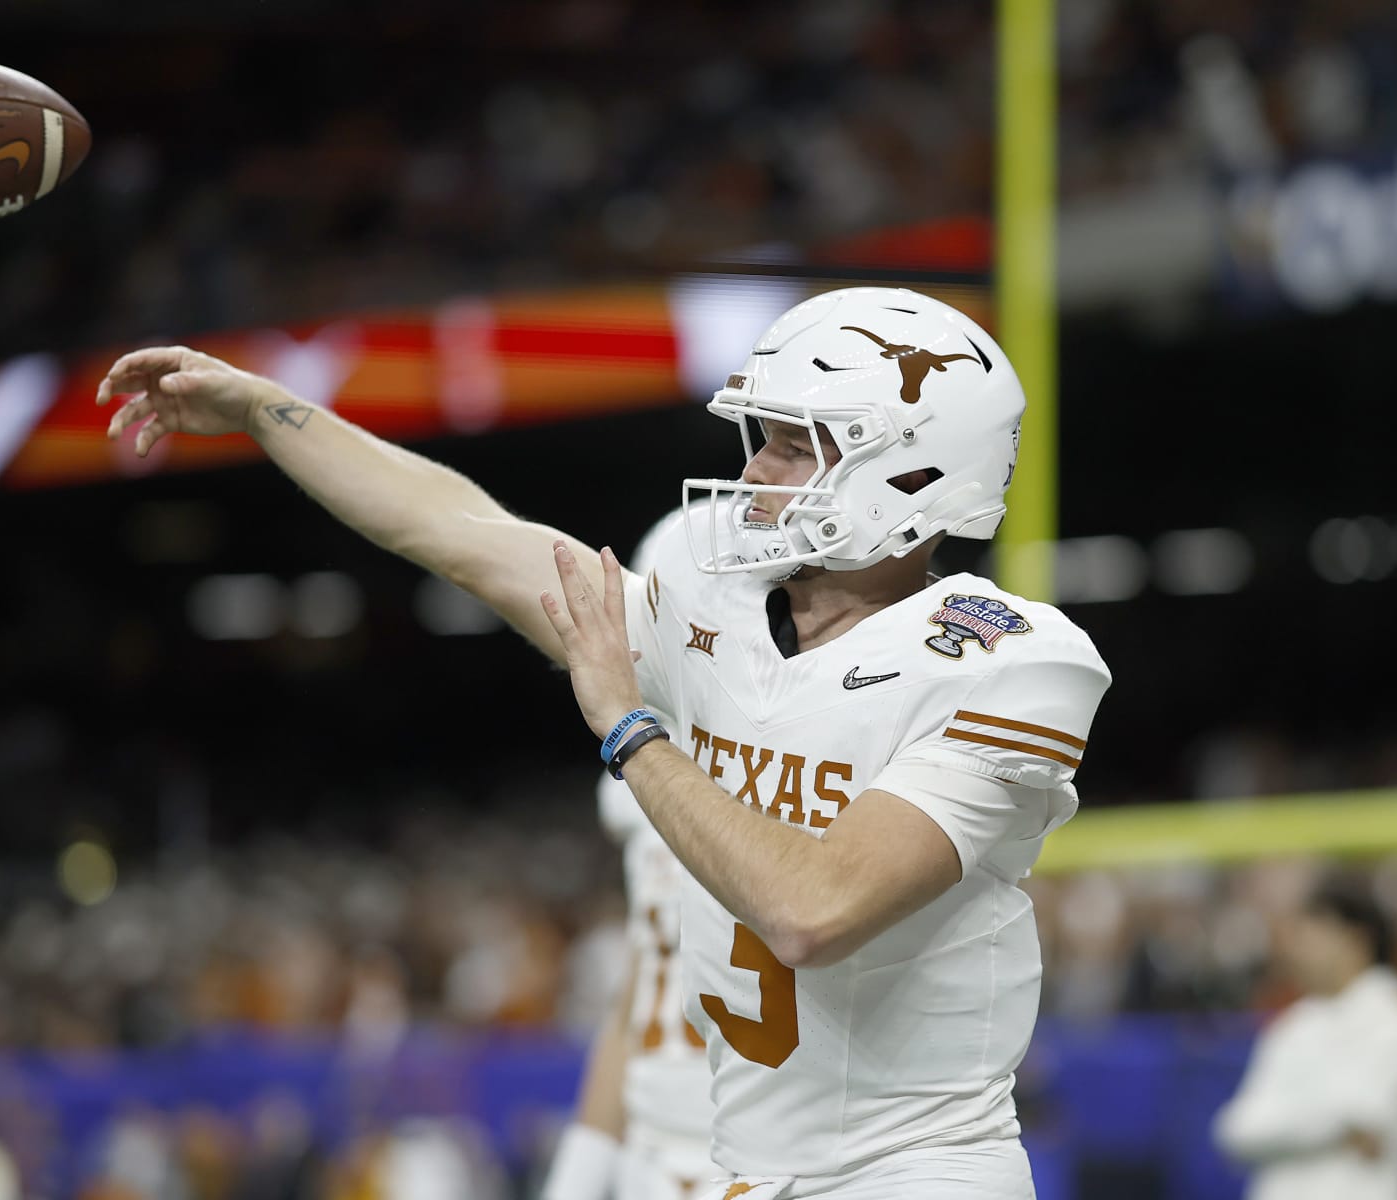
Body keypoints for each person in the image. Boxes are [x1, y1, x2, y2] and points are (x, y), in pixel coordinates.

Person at [97, 286, 1112, 1198]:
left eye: (796, 444)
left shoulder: (1006, 661)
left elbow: (814, 908)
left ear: (917, 470)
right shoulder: (712, 614)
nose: (755, 472)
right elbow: (455, 530)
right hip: (746, 1171)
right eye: (759, 438)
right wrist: (271, 411)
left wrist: (633, 730)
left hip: (917, 1176)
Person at [543, 511, 718, 1200]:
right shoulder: (641, 773)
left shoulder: (797, 775)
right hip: (655, 1151)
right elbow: (643, 983)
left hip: (766, 1158)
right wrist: (580, 1173)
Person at [1212, 881, 1397, 1200]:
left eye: (1312, 935)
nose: (1298, 950)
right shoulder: (1293, 1025)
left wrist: (1281, 1121)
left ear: (1356, 939)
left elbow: (1369, 1117)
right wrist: (1338, 1128)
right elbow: (1237, 1130)